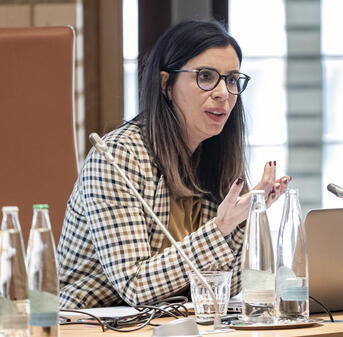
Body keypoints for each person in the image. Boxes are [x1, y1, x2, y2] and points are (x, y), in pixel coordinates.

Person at [57, 20, 290, 309]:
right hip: (89, 324)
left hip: (173, 323)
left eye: (231, 79)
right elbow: (137, 286)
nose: (223, 93)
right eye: (206, 76)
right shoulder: (118, 157)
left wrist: (246, 219)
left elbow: (227, 286)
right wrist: (221, 228)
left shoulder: (215, 156)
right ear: (166, 84)